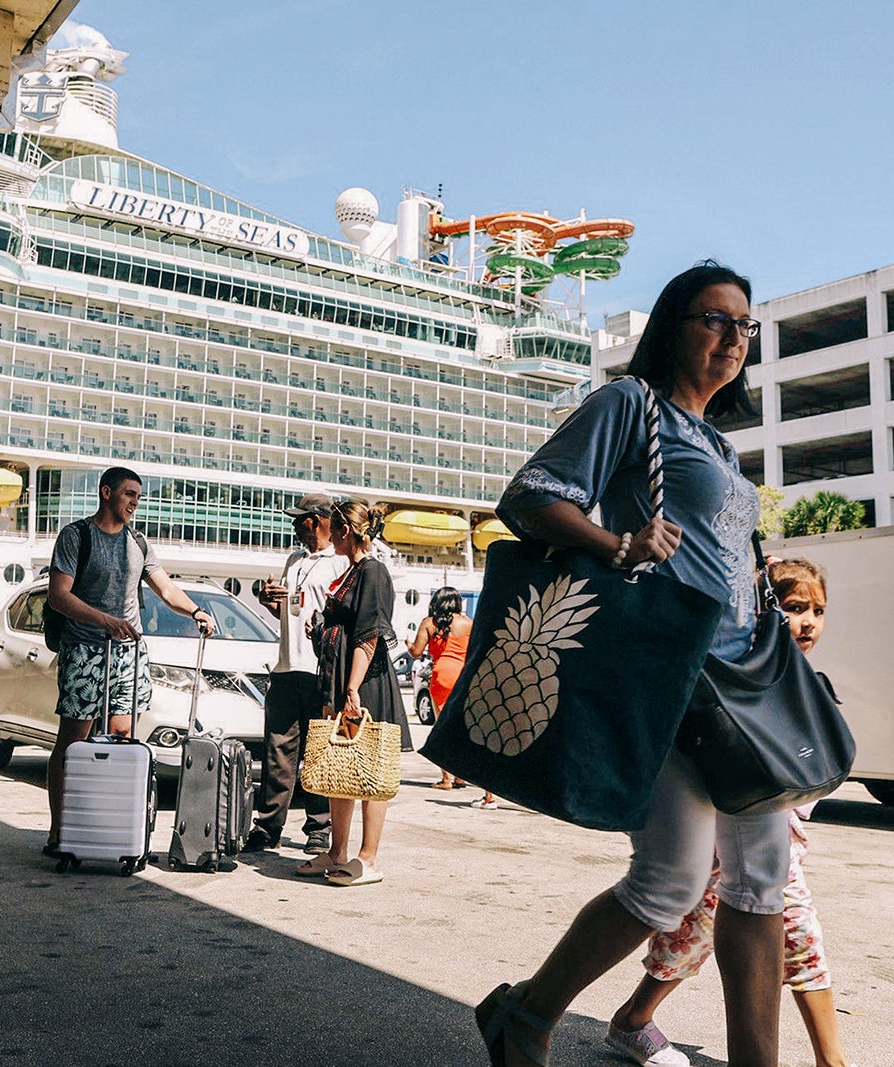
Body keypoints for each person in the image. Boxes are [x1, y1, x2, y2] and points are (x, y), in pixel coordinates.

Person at [475, 263, 789, 1067]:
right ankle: (530, 1011)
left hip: (744, 684)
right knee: (668, 884)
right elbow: (530, 494)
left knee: (759, 885)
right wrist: (618, 543)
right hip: (669, 681)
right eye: (714, 319)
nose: (733, 337)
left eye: (745, 326)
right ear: (673, 326)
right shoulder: (630, 405)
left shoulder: (718, 440)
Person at [607, 558, 852, 1067]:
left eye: (818, 610)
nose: (807, 621)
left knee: (717, 937)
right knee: (714, 932)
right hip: (727, 838)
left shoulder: (803, 680)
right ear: (762, 611)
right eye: (793, 608)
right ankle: (623, 1018)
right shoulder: (748, 675)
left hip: (768, 846)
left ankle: (631, 1018)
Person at [40, 467, 216, 856]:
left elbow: (165, 587)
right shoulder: (77, 536)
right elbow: (58, 596)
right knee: (73, 742)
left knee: (123, 739)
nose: (135, 501)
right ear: (106, 492)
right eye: (128, 494)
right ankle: (60, 831)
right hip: (85, 650)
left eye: (138, 495)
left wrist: (196, 610)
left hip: (128, 653)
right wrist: (106, 622)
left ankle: (108, 827)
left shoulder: (138, 542)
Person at [296, 500, 410, 887]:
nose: (328, 534)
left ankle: (369, 857)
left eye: (334, 528)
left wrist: (351, 689)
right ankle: (337, 851)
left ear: (345, 530)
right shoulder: (352, 571)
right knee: (341, 766)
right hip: (347, 680)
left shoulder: (373, 572)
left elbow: (370, 636)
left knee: (370, 768)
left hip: (365, 684)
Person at [243, 493, 348, 855]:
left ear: (318, 520)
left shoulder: (339, 562)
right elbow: (288, 615)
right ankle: (268, 825)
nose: (293, 525)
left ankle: (319, 827)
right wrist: (270, 602)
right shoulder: (294, 560)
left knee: (319, 751)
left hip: (321, 670)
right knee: (278, 750)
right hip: (286, 667)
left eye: (299, 519)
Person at [410, 587, 476, 794]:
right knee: (461, 727)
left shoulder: (429, 623)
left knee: (442, 728)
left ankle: (446, 778)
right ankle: (460, 776)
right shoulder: (467, 623)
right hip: (463, 675)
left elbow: (416, 652)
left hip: (441, 675)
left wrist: (408, 644)